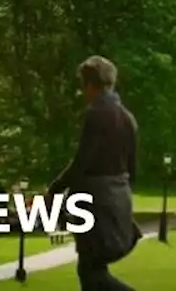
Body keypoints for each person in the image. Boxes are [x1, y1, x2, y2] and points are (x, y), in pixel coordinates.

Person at [47, 55, 141, 291]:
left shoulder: (96, 115)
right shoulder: (127, 118)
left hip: (96, 200)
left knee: (91, 274)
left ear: (90, 84)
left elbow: (82, 162)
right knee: (92, 270)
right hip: (118, 196)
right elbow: (132, 167)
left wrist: (54, 190)